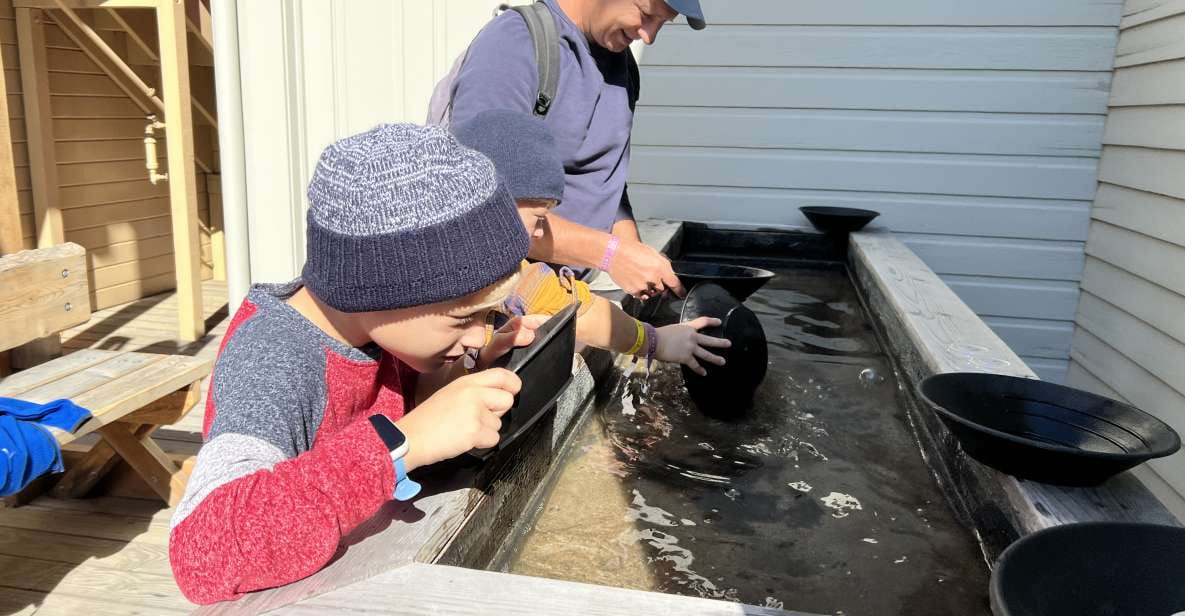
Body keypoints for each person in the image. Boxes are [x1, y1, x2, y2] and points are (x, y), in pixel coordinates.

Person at [168, 124, 543, 604]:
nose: (477, 333)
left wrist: (471, 369)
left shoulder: (382, 329)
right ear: (378, 288)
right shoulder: (272, 359)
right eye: (463, 318)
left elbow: (404, 396)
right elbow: (207, 554)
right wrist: (403, 445)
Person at [432, 0, 708, 299]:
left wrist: (632, 251)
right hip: (504, 308)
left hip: (575, 292)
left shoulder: (621, 60)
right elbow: (486, 211)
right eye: (645, 15)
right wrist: (612, 255)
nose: (649, 36)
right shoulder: (514, 46)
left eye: (662, 23)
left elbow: (606, 177)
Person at [454, 109, 730, 375]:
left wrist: (655, 341)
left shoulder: (521, 280)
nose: (540, 233)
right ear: (491, 204)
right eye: (539, 217)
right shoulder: (430, 281)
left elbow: (584, 312)